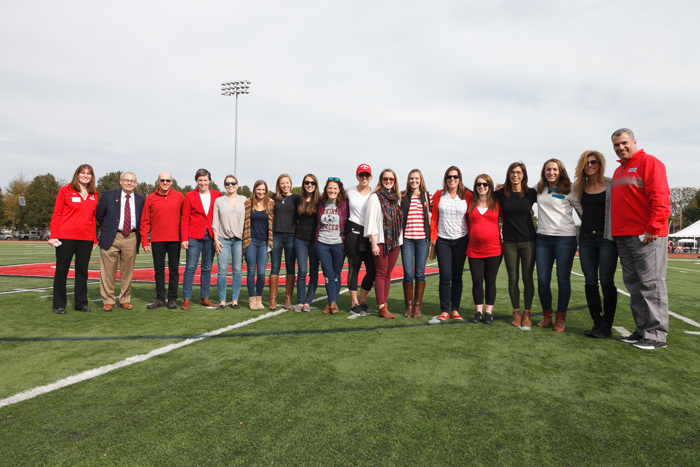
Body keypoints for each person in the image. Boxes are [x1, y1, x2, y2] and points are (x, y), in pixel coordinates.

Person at [610, 128, 671, 350]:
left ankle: (656, 335)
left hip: (646, 236)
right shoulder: (618, 170)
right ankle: (641, 329)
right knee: (634, 285)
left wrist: (654, 226)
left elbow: (660, 196)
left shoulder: (650, 162)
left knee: (651, 284)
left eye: (624, 143)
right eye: (616, 145)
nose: (620, 147)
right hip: (624, 236)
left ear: (634, 141)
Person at [573, 150, 618, 338]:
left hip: (607, 238)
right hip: (585, 239)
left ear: (600, 164)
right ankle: (597, 323)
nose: (590, 165)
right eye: (586, 163)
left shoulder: (611, 184)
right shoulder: (578, 187)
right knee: (590, 282)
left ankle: (607, 326)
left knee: (607, 281)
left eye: (594, 162)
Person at [535, 159, 582, 332]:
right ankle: (547, 316)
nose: (551, 172)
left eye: (555, 169)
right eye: (548, 169)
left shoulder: (570, 189)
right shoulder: (539, 187)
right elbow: (521, 193)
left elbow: (582, 211)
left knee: (563, 280)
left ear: (560, 171)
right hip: (542, 239)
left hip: (565, 239)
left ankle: (561, 318)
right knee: (542, 281)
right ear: (544, 171)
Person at [48, 164, 99, 314]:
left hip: (86, 238)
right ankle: (59, 304)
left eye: (88, 173)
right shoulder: (65, 191)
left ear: (92, 176)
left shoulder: (94, 194)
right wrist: (53, 235)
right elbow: (57, 214)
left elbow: (93, 218)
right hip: (65, 237)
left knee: (82, 271)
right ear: (77, 175)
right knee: (62, 270)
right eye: (82, 173)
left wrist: (94, 238)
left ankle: (81, 303)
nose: (85, 175)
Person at [495, 162, 537, 328]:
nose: (515, 175)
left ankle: (527, 313)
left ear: (523, 175)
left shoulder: (531, 193)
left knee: (527, 279)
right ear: (508, 174)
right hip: (510, 242)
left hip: (528, 241)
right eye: (512, 172)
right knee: (513, 279)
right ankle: (516, 312)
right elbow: (480, 193)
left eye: (518, 172)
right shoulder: (501, 193)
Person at [95, 172, 145, 311]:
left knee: (127, 271)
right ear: (120, 181)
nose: (129, 183)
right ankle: (108, 301)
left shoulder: (141, 199)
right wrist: (110, 227)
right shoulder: (109, 196)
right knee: (107, 271)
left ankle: (125, 299)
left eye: (132, 181)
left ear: (136, 183)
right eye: (126, 180)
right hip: (112, 236)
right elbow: (100, 214)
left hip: (131, 237)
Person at [430, 166, 472, 321]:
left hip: (462, 240)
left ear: (459, 178)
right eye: (449, 176)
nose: (452, 179)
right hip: (443, 240)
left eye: (455, 176)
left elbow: (484, 199)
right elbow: (432, 214)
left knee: (457, 276)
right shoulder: (439, 195)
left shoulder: (467, 195)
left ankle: (455, 309)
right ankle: (444, 310)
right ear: (445, 179)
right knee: (445, 276)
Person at [140, 172, 185, 310]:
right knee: (159, 271)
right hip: (157, 240)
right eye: (162, 180)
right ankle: (160, 299)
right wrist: (144, 240)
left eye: (168, 180)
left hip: (174, 240)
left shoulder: (179, 197)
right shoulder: (150, 198)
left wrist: (184, 238)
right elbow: (145, 221)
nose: (165, 182)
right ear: (158, 181)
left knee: (174, 271)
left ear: (171, 182)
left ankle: (172, 299)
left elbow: (184, 219)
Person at [365, 169, 403, 319]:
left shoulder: (396, 198)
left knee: (388, 273)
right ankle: (381, 306)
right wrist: (373, 243)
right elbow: (371, 222)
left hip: (394, 241)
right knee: (381, 272)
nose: (388, 181)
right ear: (381, 180)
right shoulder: (375, 197)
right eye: (386, 179)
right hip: (380, 240)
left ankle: (384, 303)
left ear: (394, 181)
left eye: (391, 179)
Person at [180, 168, 221, 310]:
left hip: (210, 235)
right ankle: (187, 299)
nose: (203, 183)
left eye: (205, 180)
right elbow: (184, 218)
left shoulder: (217, 195)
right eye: (200, 180)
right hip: (193, 236)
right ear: (196, 181)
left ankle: (205, 298)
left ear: (210, 181)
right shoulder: (189, 196)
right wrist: (184, 238)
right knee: (190, 267)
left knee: (207, 267)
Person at [466, 175, 502, 324]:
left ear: (490, 186)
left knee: (490, 280)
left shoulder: (497, 202)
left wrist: (503, 186)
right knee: (477, 280)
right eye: (479, 184)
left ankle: (489, 313)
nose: (482, 186)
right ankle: (478, 312)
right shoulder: (470, 201)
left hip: (494, 249)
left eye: (485, 184)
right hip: (474, 250)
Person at [345, 164, 376, 315]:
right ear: (357, 176)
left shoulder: (375, 192)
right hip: (353, 232)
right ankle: (354, 303)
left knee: (372, 270)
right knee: (354, 267)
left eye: (367, 175)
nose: (364, 178)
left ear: (370, 177)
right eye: (361, 175)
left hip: (370, 234)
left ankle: (363, 301)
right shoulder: (349, 192)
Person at [400, 169, 431, 318]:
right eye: (411, 178)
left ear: (421, 180)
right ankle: (409, 306)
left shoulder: (426, 196)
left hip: (422, 240)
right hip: (407, 239)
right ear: (408, 180)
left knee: (420, 273)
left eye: (416, 178)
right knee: (408, 274)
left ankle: (418, 306)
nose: (414, 181)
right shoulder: (403, 196)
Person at [212, 174, 246, 310]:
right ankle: (222, 300)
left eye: (233, 183)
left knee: (237, 271)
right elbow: (215, 221)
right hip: (223, 240)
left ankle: (235, 300)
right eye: (227, 183)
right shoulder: (219, 201)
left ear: (237, 185)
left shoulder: (244, 200)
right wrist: (215, 239)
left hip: (239, 240)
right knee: (222, 271)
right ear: (224, 185)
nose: (230, 186)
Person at [316, 177, 348, 315]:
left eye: (335, 188)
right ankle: (332, 303)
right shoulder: (320, 203)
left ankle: (331, 303)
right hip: (322, 243)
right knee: (328, 275)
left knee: (336, 275)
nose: (332, 190)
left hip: (338, 244)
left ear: (339, 190)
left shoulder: (344, 204)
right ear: (326, 189)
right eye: (330, 188)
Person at [269, 174, 300, 310]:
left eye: (287, 183)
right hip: (276, 236)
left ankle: (288, 299)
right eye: (282, 183)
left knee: (290, 267)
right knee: (275, 266)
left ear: (291, 184)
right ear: (279, 185)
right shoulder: (273, 198)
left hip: (292, 236)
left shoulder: (296, 198)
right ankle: (273, 300)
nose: (285, 185)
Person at [242, 180, 274, 310]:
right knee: (251, 271)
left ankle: (258, 298)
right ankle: (251, 299)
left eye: (263, 190)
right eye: (258, 189)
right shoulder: (248, 204)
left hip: (264, 242)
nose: (261, 192)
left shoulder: (271, 205)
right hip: (251, 241)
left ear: (266, 191)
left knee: (261, 272)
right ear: (254, 190)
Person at [294, 174, 321, 312]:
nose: (309, 185)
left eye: (312, 182)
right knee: (302, 271)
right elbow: (282, 199)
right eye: (307, 182)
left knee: (314, 272)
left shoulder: (321, 200)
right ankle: (300, 301)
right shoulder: (298, 199)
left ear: (316, 185)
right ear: (303, 184)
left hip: (316, 241)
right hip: (300, 239)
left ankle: (308, 302)